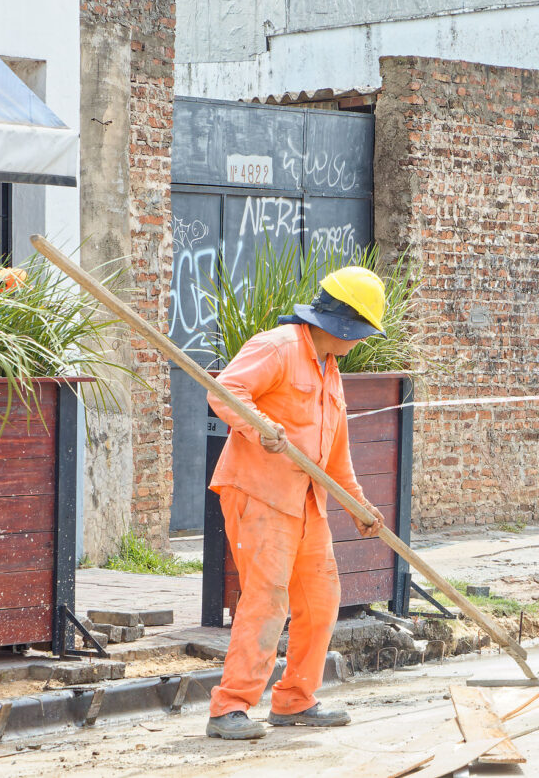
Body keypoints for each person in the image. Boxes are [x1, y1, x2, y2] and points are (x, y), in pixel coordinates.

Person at [204, 266, 388, 739]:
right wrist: (259, 427)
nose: (362, 340)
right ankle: (229, 708)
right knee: (267, 601)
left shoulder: (330, 369)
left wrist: (358, 505)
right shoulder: (278, 346)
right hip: (260, 493)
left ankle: (294, 701)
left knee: (322, 600)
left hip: (307, 501)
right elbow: (224, 391)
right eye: (362, 330)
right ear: (343, 324)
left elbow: (336, 452)